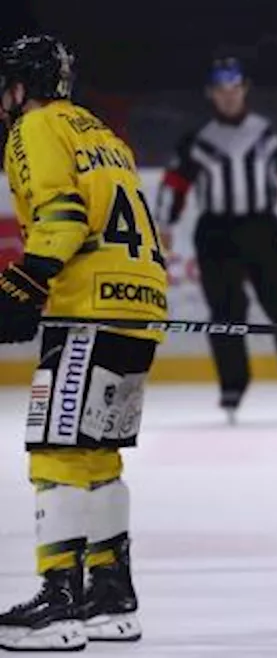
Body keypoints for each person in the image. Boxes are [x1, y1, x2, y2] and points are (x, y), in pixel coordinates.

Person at [0, 35, 167, 651]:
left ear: (23, 86)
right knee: (99, 456)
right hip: (140, 302)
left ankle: (60, 601)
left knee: (57, 453)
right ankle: (110, 596)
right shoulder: (101, 132)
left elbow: (63, 215)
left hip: (86, 306)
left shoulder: (36, 127)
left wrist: (27, 280)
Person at [155, 57, 277, 420]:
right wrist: (165, 224)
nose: (228, 97)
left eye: (234, 89)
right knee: (225, 312)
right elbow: (174, 185)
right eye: (221, 91)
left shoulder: (270, 133)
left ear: (244, 90)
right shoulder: (198, 141)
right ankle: (232, 385)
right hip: (216, 232)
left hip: (262, 227)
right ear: (210, 95)